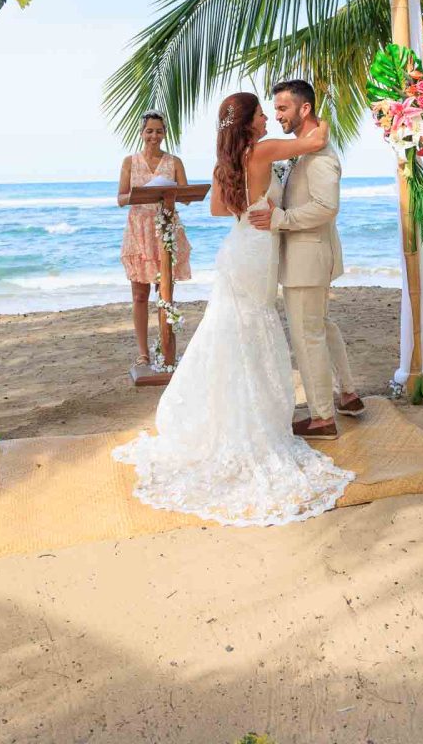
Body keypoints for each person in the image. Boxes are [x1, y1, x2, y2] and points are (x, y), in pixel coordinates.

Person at [112, 92, 353, 527]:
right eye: (263, 112)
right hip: (258, 249)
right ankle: (257, 418)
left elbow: (220, 208)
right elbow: (316, 142)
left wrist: (254, 203)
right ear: (247, 122)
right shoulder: (262, 150)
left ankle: (235, 411)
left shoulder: (233, 158)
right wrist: (320, 109)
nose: (268, 117)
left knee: (236, 329)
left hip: (241, 245)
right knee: (254, 327)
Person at [249, 79, 364, 440]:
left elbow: (327, 207)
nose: (277, 115)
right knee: (322, 327)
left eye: (282, 108)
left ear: (305, 109)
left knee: (306, 336)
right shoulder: (306, 150)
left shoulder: (320, 158)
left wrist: (279, 219)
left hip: (306, 262)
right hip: (310, 259)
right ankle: (347, 395)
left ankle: (321, 418)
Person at [117, 111, 191, 367]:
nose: (154, 136)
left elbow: (187, 195)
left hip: (166, 230)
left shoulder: (174, 162)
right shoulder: (129, 162)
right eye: (149, 131)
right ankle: (143, 353)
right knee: (139, 295)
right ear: (141, 133)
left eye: (158, 131)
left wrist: (169, 192)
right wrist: (141, 194)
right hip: (139, 232)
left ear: (164, 134)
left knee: (166, 293)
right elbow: (120, 199)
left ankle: (166, 348)